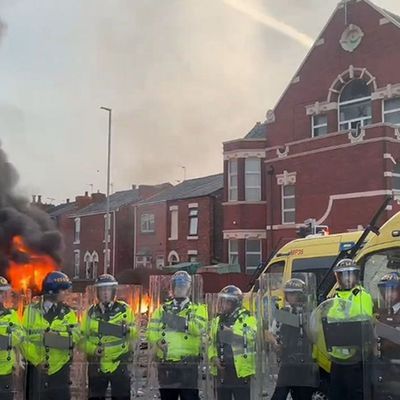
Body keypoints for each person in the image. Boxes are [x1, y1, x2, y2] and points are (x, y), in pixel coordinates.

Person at [147, 271, 207, 400]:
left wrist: (174, 320)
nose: (180, 290)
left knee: (189, 397)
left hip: (188, 365)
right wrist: (157, 341)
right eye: (178, 286)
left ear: (189, 289)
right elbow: (151, 330)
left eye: (183, 286)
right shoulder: (162, 309)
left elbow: (198, 329)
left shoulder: (198, 309)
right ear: (173, 288)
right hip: (166, 364)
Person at [22, 271, 79, 400]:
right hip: (37, 371)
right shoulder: (31, 311)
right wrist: (37, 361)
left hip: (61, 370)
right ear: (52, 291)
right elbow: (23, 340)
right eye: (62, 290)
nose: (66, 293)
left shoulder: (68, 313)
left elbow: (74, 338)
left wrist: (53, 338)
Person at [81, 273, 138, 400]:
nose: (105, 293)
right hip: (97, 364)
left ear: (113, 291)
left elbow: (135, 333)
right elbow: (81, 339)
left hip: (119, 363)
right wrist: (94, 349)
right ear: (98, 292)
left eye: (108, 290)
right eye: (102, 290)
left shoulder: (125, 309)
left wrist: (127, 330)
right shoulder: (90, 313)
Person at [327, 258, 373, 400]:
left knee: (355, 395)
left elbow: (364, 322)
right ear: (338, 277)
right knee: (336, 395)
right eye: (343, 275)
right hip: (337, 358)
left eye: (350, 275)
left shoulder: (362, 296)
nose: (347, 279)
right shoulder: (333, 297)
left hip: (356, 357)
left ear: (355, 276)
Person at [270, 278, 319, 400]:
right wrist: (275, 343)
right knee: (279, 395)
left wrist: (302, 319)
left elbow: (314, 336)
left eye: (293, 293)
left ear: (301, 295)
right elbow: (271, 333)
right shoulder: (284, 312)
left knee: (302, 396)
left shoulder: (310, 312)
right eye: (288, 294)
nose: (290, 297)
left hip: (305, 362)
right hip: (288, 361)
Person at [208, 285, 257, 400]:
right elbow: (211, 342)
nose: (221, 304)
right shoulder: (217, 320)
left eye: (224, 301)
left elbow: (251, 336)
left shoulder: (247, 317)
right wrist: (213, 357)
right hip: (222, 371)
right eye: (221, 301)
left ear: (234, 302)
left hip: (240, 371)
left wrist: (231, 332)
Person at [370, 272, 400, 400]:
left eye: (393, 290)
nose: (388, 294)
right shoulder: (380, 312)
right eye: (385, 290)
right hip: (383, 367)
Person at [0, 276, 23, 400]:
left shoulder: (11, 315)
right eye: (0, 293)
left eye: (4, 293)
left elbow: (19, 335)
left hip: (6, 372)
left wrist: (4, 341)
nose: (3, 296)